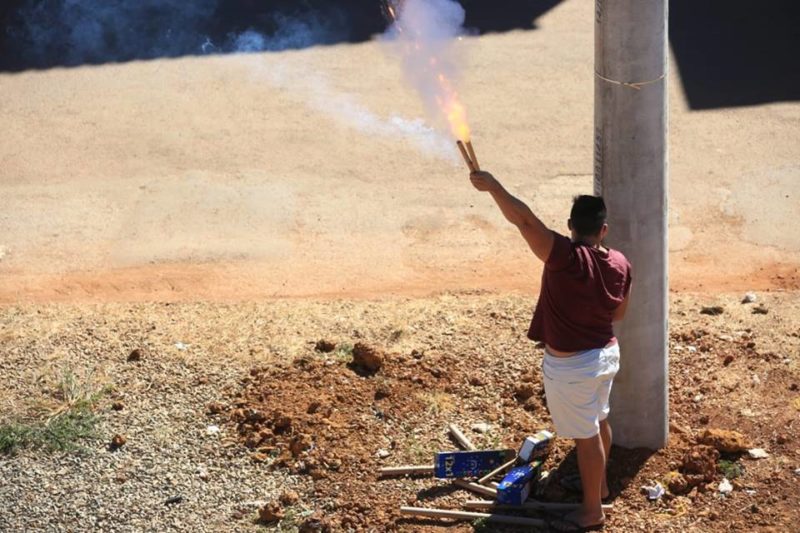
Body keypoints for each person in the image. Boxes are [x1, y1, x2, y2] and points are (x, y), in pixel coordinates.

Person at [469, 170, 631, 531]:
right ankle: (600, 488)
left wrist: (494, 187)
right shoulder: (620, 263)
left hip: (574, 366)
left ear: (571, 225)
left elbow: (525, 220)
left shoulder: (565, 257)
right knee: (599, 419)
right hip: (606, 354)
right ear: (603, 230)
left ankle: (592, 511)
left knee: (586, 435)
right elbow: (619, 313)